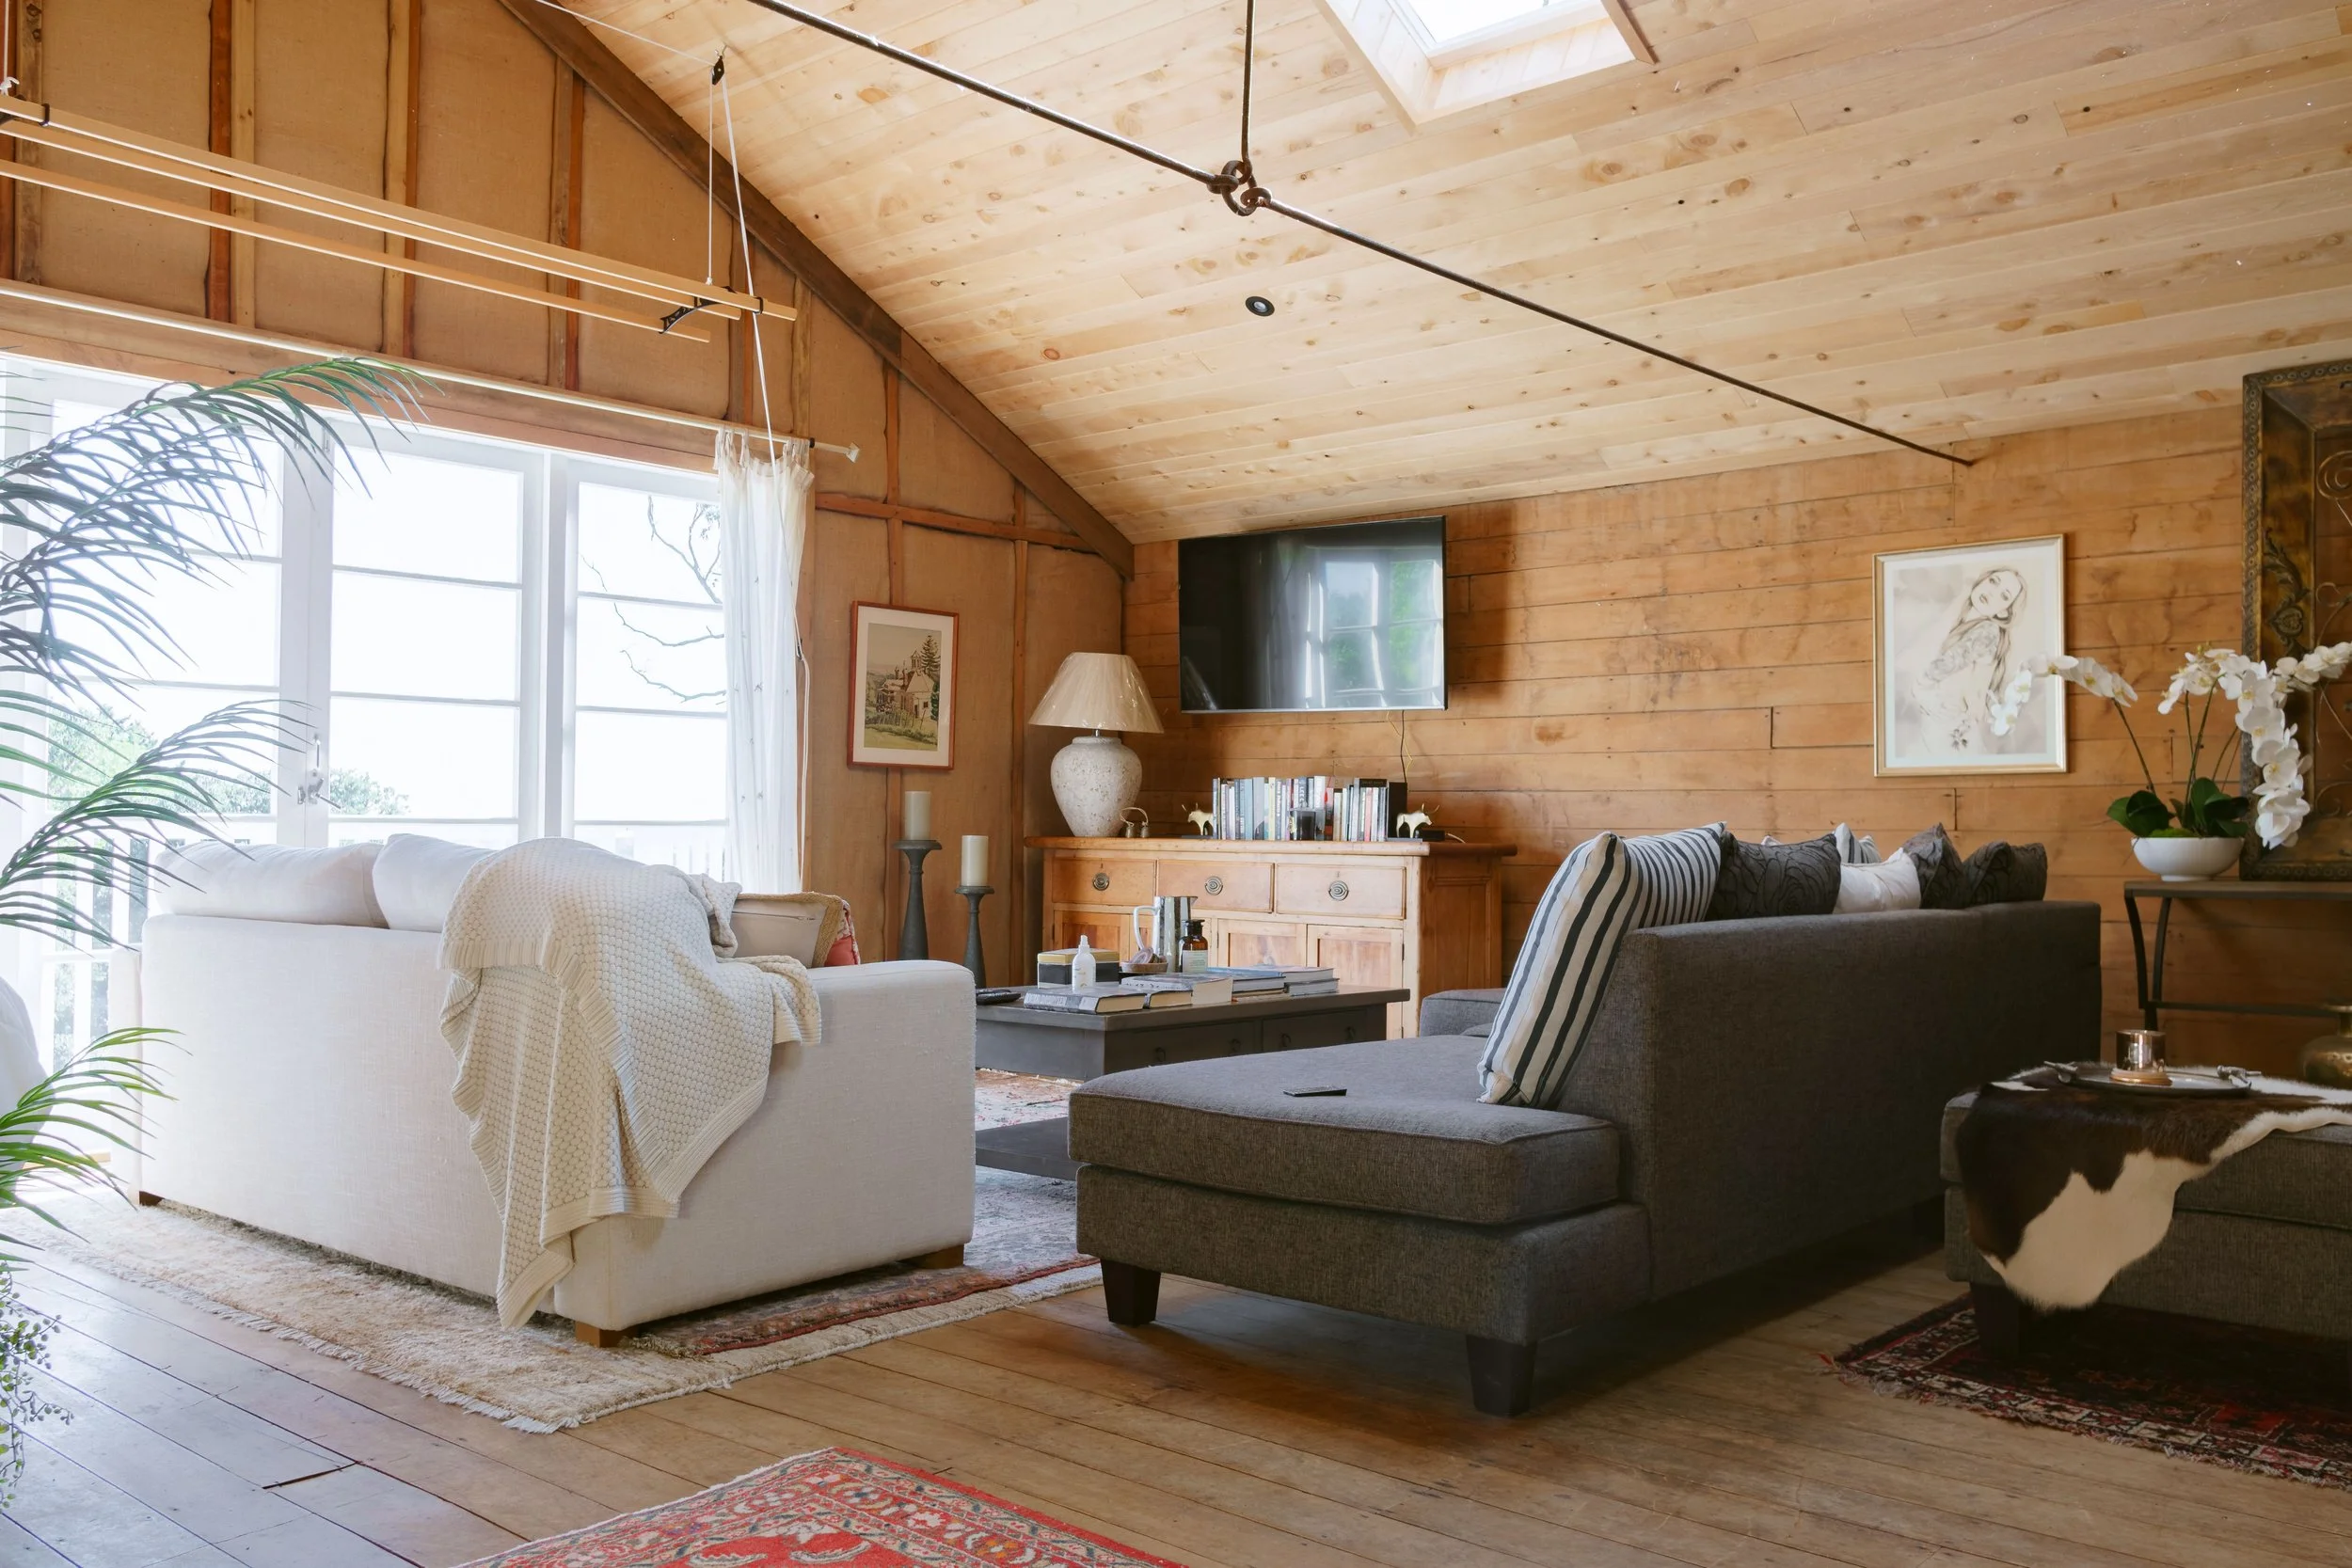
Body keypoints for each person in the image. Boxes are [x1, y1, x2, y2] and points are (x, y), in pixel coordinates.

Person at [1912, 566, 2025, 753]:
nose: (1991, 592)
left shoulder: (1988, 631)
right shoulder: (1969, 621)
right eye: (1993, 581)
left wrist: (1919, 686)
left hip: (1952, 724)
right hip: (1947, 720)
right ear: (1982, 580)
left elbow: (1948, 662)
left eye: (2004, 596)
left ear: (2005, 612)